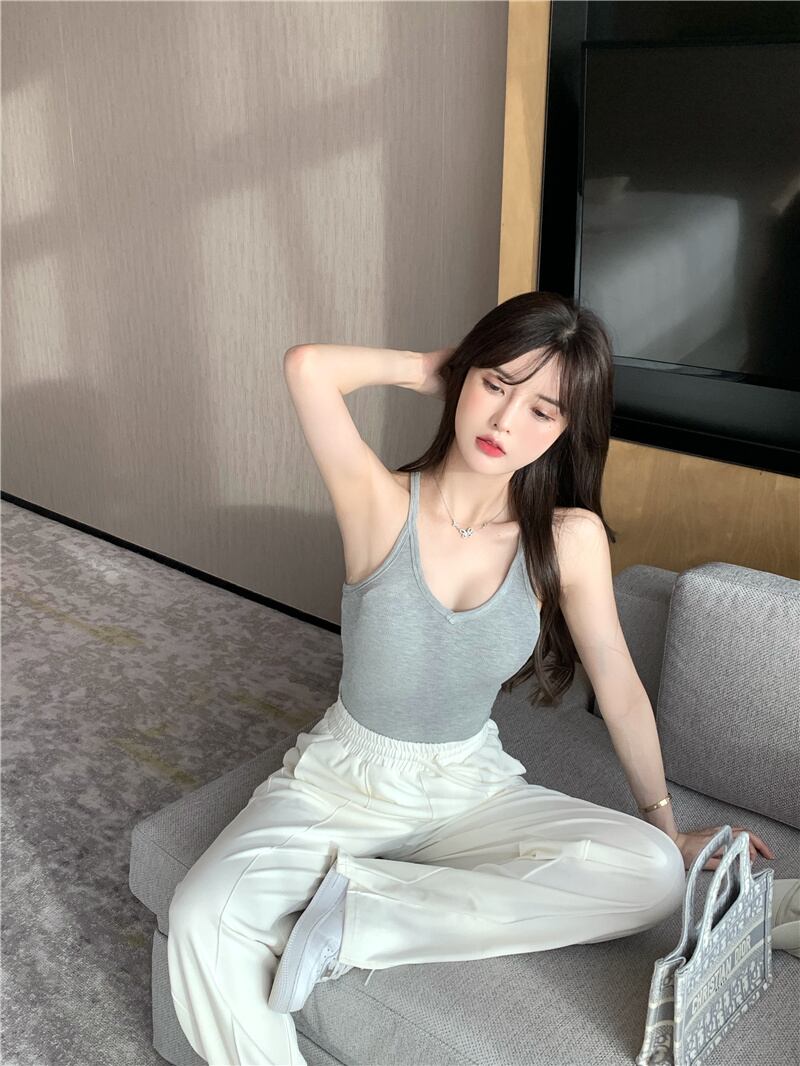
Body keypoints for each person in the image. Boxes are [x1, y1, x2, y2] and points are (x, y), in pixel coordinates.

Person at [166, 291, 775, 1066]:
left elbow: (620, 686)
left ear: (564, 431)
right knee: (202, 917)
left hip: (471, 787)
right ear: (464, 376)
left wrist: (668, 828)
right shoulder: (378, 501)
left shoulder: (567, 538)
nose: (505, 421)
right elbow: (308, 368)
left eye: (542, 410)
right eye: (496, 384)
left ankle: (355, 918)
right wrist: (432, 367)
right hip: (342, 784)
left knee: (651, 876)